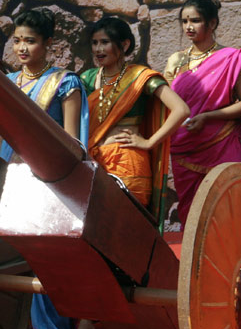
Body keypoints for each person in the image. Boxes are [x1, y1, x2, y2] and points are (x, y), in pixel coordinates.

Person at [2, 9, 93, 329]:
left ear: (48, 44)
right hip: (14, 179)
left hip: (50, 181)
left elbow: (74, 141)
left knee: (45, 258)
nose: (22, 48)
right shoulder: (6, 81)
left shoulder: (65, 83)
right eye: (18, 40)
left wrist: (48, 168)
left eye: (31, 41)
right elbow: (2, 137)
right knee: (11, 257)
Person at [164, 0, 241, 226]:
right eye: (184, 21)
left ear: (212, 24)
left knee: (231, 207)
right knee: (193, 215)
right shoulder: (175, 61)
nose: (188, 26)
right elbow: (168, 103)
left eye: (195, 21)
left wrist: (208, 116)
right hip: (184, 147)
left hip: (223, 142)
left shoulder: (232, 59)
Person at [79, 16, 189, 222]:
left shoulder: (140, 77)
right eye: (94, 43)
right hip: (94, 164)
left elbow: (181, 109)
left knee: (126, 228)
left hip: (129, 165)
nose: (98, 49)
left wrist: (149, 142)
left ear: (124, 44)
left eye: (104, 42)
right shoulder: (88, 78)